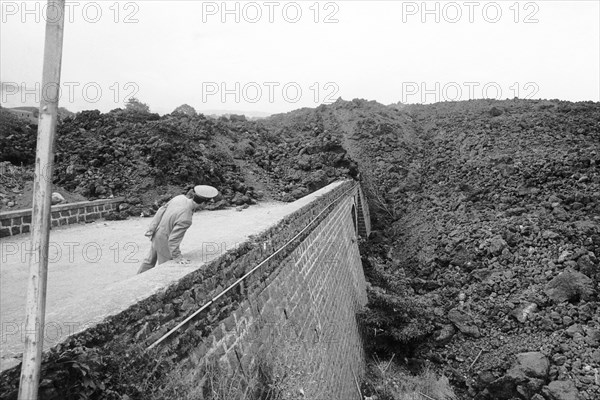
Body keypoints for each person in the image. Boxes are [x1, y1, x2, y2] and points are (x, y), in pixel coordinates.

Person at [137, 185, 219, 274]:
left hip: (156, 233)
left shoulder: (179, 198)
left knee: (149, 261)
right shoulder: (186, 218)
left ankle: (137, 280)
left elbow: (161, 210)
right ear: (203, 203)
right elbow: (173, 239)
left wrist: (151, 229)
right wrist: (178, 257)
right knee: (165, 268)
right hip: (165, 241)